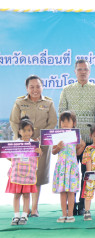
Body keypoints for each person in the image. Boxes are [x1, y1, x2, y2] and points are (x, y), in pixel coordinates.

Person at [59, 59, 95, 215]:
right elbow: (61, 114)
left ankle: (84, 205)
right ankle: (70, 207)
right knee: (70, 173)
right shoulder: (66, 89)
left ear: (89, 71)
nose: (82, 71)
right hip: (70, 143)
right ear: (75, 71)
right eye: (79, 69)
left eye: (85, 69)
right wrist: (63, 138)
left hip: (90, 141)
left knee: (87, 174)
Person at [10, 75, 57, 217]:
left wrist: (39, 139)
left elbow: (52, 123)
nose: (35, 89)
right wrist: (24, 138)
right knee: (23, 176)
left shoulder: (48, 103)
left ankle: (34, 208)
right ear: (27, 88)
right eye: (32, 87)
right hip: (23, 146)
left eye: (38, 86)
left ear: (42, 87)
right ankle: (25, 209)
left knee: (38, 176)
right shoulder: (19, 102)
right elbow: (13, 121)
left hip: (41, 146)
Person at [6, 117, 42, 226]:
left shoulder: (34, 144)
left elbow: (37, 158)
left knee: (26, 195)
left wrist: (39, 152)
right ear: (19, 131)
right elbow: (9, 158)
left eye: (29, 130)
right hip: (17, 173)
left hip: (28, 174)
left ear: (32, 131)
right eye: (24, 130)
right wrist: (8, 154)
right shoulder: (15, 143)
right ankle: (16, 215)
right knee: (16, 195)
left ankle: (24, 215)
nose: (27, 133)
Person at [52, 111, 86, 223]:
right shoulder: (57, 135)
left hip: (72, 166)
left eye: (68, 121)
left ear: (74, 123)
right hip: (61, 167)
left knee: (71, 191)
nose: (65, 123)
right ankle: (63, 214)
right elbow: (53, 151)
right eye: (63, 121)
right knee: (62, 191)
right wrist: (58, 147)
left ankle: (70, 215)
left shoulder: (76, 136)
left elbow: (76, 153)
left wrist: (82, 145)